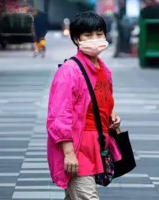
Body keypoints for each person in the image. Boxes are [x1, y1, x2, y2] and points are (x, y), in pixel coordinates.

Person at [46, 11, 122, 199]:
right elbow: (59, 116)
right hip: (79, 148)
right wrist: (69, 153)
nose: (95, 39)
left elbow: (102, 102)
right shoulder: (69, 71)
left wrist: (113, 115)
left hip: (98, 144)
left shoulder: (104, 70)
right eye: (88, 35)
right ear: (76, 39)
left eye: (99, 33)